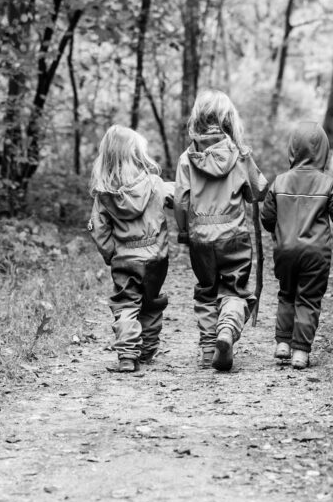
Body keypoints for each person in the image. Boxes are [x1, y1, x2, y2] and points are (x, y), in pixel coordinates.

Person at [175, 90, 268, 372]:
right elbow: (258, 191)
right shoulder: (239, 155)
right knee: (235, 289)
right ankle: (226, 329)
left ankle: (207, 348)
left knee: (206, 291)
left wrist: (183, 231)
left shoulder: (187, 158)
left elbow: (181, 200)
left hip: (200, 237)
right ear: (229, 121)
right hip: (234, 236)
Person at [260, 122, 333, 369]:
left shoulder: (279, 182)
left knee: (286, 294)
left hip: (285, 251)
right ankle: (300, 352)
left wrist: (281, 230)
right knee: (309, 299)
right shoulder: (328, 184)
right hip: (316, 254)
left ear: (293, 150)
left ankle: (282, 343)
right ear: (323, 152)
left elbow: (267, 218)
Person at [88, 125, 173, 373]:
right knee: (152, 302)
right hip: (156, 257)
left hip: (126, 257)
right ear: (137, 155)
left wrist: (111, 255)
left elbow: (99, 230)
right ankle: (147, 349)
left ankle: (127, 354)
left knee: (126, 304)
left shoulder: (104, 195)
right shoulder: (155, 184)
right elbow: (182, 194)